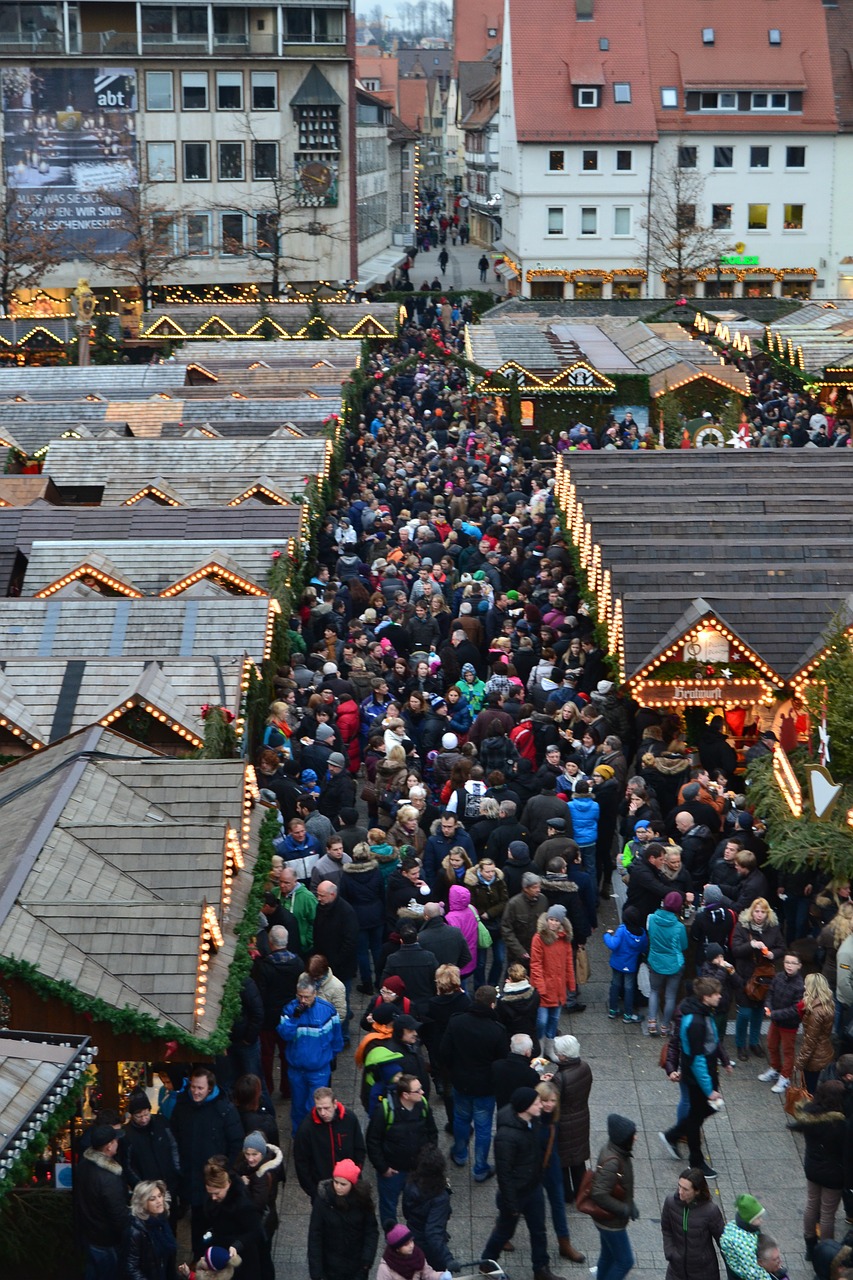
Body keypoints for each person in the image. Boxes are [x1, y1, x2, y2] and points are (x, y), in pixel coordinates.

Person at [479, 1087, 563, 1280]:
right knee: (504, 1231)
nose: (541, 1105)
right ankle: (487, 1263)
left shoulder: (532, 1120)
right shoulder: (507, 1137)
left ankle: (541, 1269)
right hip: (516, 1193)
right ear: (525, 1108)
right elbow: (504, 1173)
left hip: (533, 1187)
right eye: (536, 1103)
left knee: (539, 1230)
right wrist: (511, 1203)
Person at [659, 976, 731, 1179]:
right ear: (706, 997)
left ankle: (672, 1135)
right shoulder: (696, 1022)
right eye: (716, 994)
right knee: (697, 1115)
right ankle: (695, 1161)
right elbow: (697, 1060)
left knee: (699, 1113)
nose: (720, 996)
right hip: (697, 1077)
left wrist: (723, 1060)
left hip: (702, 1074)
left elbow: (712, 1040)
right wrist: (709, 1090)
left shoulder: (699, 1011)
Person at [169, 1067, 244, 1254]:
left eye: (200, 1088)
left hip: (215, 1178)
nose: (195, 1091)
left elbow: (236, 1142)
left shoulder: (224, 1109)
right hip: (193, 1177)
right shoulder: (182, 1105)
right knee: (198, 1224)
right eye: (193, 1087)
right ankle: (199, 1259)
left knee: (219, 1224)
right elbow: (174, 1135)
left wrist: (225, 1172)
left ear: (210, 1088)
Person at [440, 984, 509, 1180]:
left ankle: (460, 1154)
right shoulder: (497, 1030)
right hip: (485, 1087)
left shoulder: (457, 1022)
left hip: (461, 1082)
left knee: (461, 1119)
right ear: (492, 1004)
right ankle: (480, 1168)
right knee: (483, 1127)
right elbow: (501, 1060)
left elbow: (444, 1051)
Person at [366, 1072, 438, 1225]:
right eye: (417, 1090)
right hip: (394, 1170)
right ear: (405, 1095)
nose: (422, 1092)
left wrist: (428, 1159)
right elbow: (373, 1140)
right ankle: (393, 1238)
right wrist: (383, 1168)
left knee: (416, 1203)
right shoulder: (385, 1110)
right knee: (389, 1206)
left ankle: (413, 1233)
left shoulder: (423, 1105)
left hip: (417, 1169)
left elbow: (432, 1132)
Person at [787, 1079, 847, 1258]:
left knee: (812, 1205)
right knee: (828, 1213)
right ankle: (826, 1252)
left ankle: (810, 1247)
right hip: (833, 1173)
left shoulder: (808, 1116)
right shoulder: (840, 1124)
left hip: (812, 1168)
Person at [278, 974, 344, 1134]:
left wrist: (325, 1057)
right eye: (300, 996)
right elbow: (284, 1035)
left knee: (316, 1108)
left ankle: (317, 1137)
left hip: (319, 1070)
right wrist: (294, 1019)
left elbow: (337, 1040)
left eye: (306, 997)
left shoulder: (327, 1011)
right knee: (298, 1107)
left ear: (315, 994)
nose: (303, 1001)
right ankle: (299, 1138)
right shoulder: (289, 1010)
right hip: (296, 1070)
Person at [535, 1081, 585, 1263]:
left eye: (553, 1101)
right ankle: (503, 1235)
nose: (549, 1104)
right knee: (522, 1204)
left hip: (552, 1166)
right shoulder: (532, 1118)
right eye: (545, 1100)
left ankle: (564, 1244)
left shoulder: (554, 1118)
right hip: (532, 1168)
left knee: (558, 1205)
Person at [196, 1158, 270, 1280]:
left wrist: (237, 1244)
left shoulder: (242, 1204)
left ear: (228, 1184)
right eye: (210, 1193)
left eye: (217, 1193)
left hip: (243, 1258)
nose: (213, 1198)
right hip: (221, 1254)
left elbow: (256, 1231)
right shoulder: (214, 1201)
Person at [731, 898, 785, 1061]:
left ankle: (754, 1042)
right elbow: (736, 950)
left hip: (764, 978)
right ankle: (741, 1044)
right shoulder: (742, 926)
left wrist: (772, 954)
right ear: (751, 912)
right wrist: (751, 945)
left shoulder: (773, 928)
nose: (759, 915)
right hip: (746, 977)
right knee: (745, 1013)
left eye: (762, 912)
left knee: (757, 1012)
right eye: (756, 911)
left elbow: (782, 947)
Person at [307, 1159, 379, 1280]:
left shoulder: (362, 1201)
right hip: (330, 1267)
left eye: (343, 1184)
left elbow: (371, 1231)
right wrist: (316, 1273)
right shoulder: (323, 1201)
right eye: (336, 1182)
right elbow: (315, 1236)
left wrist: (366, 1261)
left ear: (352, 1184)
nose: (338, 1187)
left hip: (357, 1267)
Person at [75, 1123, 130, 1280]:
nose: (118, 1143)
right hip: (107, 1241)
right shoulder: (109, 1178)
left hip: (90, 1236)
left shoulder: (84, 1166)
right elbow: (118, 1215)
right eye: (115, 1141)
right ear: (109, 1146)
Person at [294, 1085, 367, 1202]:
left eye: (326, 1108)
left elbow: (359, 1148)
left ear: (335, 1104)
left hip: (350, 1183)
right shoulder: (306, 1128)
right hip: (323, 1189)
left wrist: (355, 1174)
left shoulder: (350, 1119)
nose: (323, 1113)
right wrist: (313, 1191)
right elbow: (301, 1162)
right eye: (319, 1109)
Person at [588, 1113, 639, 1280]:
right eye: (633, 1135)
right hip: (611, 1222)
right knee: (625, 1261)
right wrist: (624, 1208)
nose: (636, 1138)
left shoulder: (616, 1151)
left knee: (608, 1255)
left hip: (607, 1219)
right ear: (624, 1139)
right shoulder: (613, 1161)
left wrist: (630, 1203)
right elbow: (598, 1193)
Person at [530, 905, 579, 1055]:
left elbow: (569, 962)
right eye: (551, 919)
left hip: (558, 988)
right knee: (542, 1021)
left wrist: (571, 984)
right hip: (545, 988)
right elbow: (535, 964)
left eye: (556, 921)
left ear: (561, 922)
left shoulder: (565, 939)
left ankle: (549, 1049)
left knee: (554, 1019)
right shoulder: (539, 938)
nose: (553, 923)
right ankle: (539, 1049)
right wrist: (540, 987)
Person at [660, 1168, 724, 1280]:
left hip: (704, 1272)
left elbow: (722, 1241)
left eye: (685, 1189)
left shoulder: (710, 1211)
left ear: (697, 1191)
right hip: (676, 1271)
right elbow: (666, 1228)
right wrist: (670, 1251)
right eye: (679, 1186)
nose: (680, 1192)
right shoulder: (670, 1202)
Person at [551, 1034, 593, 1206]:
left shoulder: (560, 1078)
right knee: (578, 1159)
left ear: (563, 1055)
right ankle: (581, 1191)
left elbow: (555, 1102)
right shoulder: (585, 1067)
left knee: (562, 1161)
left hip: (564, 1123)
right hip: (582, 1118)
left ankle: (566, 1195)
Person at [402, 1145, 458, 1272]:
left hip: (413, 1237)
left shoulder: (410, 1184)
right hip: (431, 1250)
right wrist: (448, 1259)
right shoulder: (440, 1197)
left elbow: (406, 1212)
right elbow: (433, 1233)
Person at [123, 1094, 180, 1215]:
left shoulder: (162, 1123)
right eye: (139, 1116)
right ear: (132, 1116)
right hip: (147, 1190)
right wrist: (141, 1187)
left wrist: (177, 1170)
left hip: (169, 1182)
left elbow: (174, 1146)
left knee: (171, 1216)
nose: (143, 1119)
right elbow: (127, 1165)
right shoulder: (127, 1135)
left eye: (146, 1114)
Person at [757, 952, 804, 1095]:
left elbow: (795, 1010)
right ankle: (775, 1068)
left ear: (799, 966)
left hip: (789, 1024)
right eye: (787, 962)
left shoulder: (800, 985)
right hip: (775, 1020)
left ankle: (785, 1077)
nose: (789, 965)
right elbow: (770, 993)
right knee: (771, 1044)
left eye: (793, 963)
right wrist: (768, 1006)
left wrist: (774, 1013)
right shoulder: (778, 977)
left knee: (787, 1051)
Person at [646, 892, 688, 1037]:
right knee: (670, 996)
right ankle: (665, 1026)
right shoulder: (679, 927)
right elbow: (683, 945)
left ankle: (651, 1022)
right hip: (674, 965)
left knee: (654, 991)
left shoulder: (651, 919)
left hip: (655, 961)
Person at [122, 1179, 177, 1280]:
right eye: (152, 1199)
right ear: (142, 1203)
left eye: (160, 1196)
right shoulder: (135, 1230)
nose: (159, 1201)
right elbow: (131, 1268)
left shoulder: (161, 1219)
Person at [233, 1132, 283, 1239]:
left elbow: (257, 1204)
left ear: (262, 1153)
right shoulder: (248, 1165)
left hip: (261, 1225)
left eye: (255, 1154)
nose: (250, 1159)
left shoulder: (263, 1175)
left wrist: (244, 1186)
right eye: (247, 1154)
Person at [793, 972, 835, 1094]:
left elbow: (810, 1041)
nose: (804, 987)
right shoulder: (827, 1004)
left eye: (806, 985)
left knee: (809, 1090)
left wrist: (799, 1063)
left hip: (814, 1057)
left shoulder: (815, 1012)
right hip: (824, 1050)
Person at [604, 905, 646, 1024]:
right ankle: (628, 1014)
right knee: (629, 988)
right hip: (631, 966)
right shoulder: (641, 934)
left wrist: (607, 935)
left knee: (615, 985)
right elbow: (643, 948)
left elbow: (613, 945)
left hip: (617, 963)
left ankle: (613, 1010)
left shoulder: (622, 930)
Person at [377, 1221, 449, 1280]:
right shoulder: (385, 1268)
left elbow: (428, 1273)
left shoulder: (417, 1255)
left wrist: (441, 1276)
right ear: (397, 1249)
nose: (411, 1245)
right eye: (406, 1244)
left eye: (411, 1241)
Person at [720, 1195, 768, 1280]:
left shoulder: (735, 1226)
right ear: (749, 1220)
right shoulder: (744, 1245)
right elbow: (753, 1272)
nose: (761, 1220)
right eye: (757, 1218)